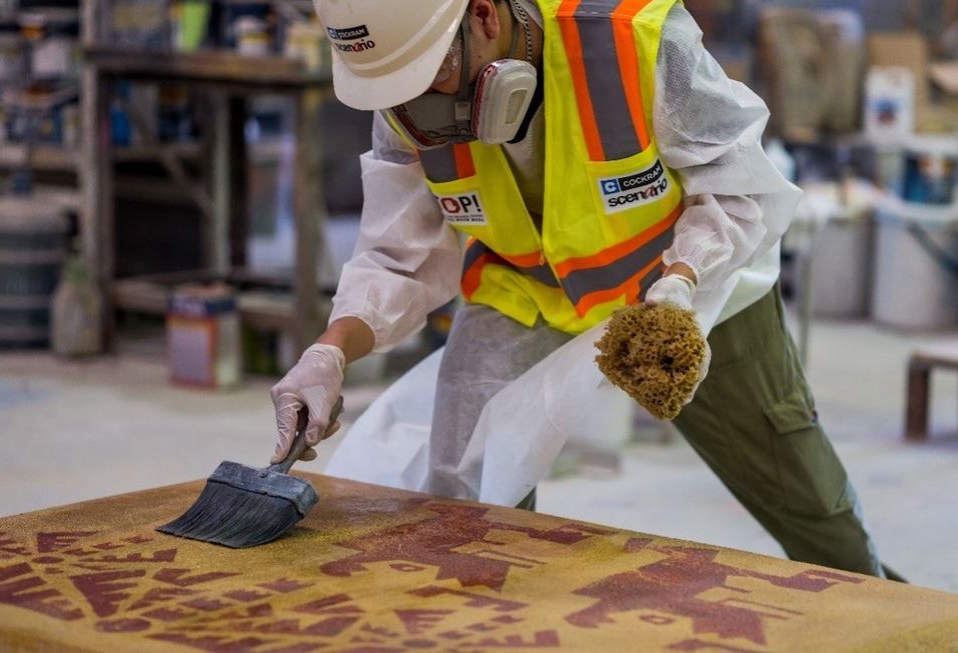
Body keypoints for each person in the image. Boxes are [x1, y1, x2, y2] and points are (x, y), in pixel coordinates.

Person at [269, 0, 897, 579]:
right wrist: (328, 354)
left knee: (803, 495)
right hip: (528, 288)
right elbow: (396, 255)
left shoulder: (633, 39)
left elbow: (737, 185)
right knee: (460, 494)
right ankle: (476, 629)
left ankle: (899, 619)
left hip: (693, 286)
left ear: (484, 15)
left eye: (430, 78)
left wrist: (681, 282)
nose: (416, 115)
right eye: (394, 95)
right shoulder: (404, 94)